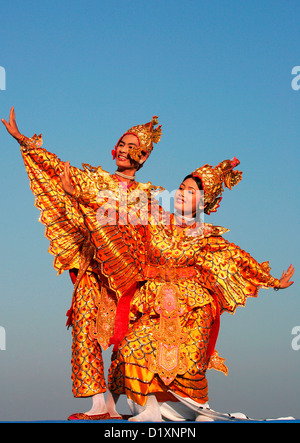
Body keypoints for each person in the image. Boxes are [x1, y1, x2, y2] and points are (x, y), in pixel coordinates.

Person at [59, 156, 294, 421]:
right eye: (181, 188)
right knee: (129, 350)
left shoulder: (206, 234)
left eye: (191, 192)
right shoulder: (154, 218)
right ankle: (148, 411)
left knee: (188, 367)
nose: (182, 194)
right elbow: (113, 217)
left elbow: (238, 258)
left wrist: (274, 281)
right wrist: (78, 197)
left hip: (193, 311)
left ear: (203, 202)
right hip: (153, 305)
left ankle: (196, 410)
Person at [1, 107, 162, 420]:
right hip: (92, 270)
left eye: (132, 147)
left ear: (141, 157)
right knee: (83, 328)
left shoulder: (147, 196)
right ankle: (97, 404)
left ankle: (116, 405)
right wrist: (24, 142)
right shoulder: (95, 180)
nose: (125, 150)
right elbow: (58, 169)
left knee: (126, 338)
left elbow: (147, 235)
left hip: (127, 277)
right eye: (123, 143)